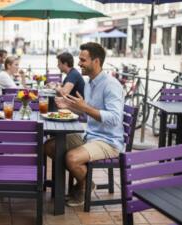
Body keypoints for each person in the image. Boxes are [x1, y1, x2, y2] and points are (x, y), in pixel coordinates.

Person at [44, 42, 124, 207]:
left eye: (82, 60)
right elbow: (88, 111)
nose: (79, 63)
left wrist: (84, 107)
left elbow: (115, 118)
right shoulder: (90, 83)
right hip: (90, 135)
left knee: (71, 158)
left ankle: (85, 185)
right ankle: (83, 182)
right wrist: (71, 106)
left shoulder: (111, 85)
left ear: (96, 61)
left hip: (109, 141)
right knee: (49, 146)